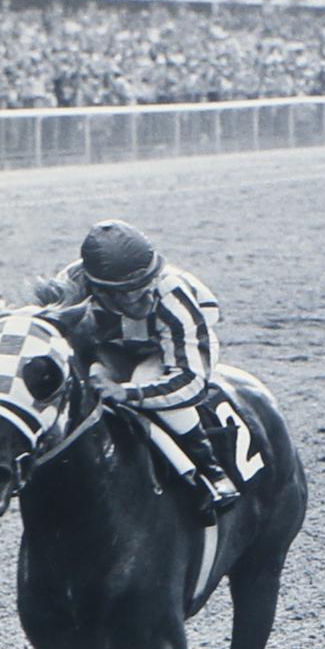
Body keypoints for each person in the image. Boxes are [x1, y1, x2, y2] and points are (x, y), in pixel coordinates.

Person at [33, 221, 247, 519]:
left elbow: (189, 380)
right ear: (97, 288)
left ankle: (210, 473)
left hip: (166, 347)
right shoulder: (71, 288)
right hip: (108, 345)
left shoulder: (173, 295)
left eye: (146, 284)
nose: (144, 298)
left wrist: (128, 392)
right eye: (127, 292)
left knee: (145, 381)